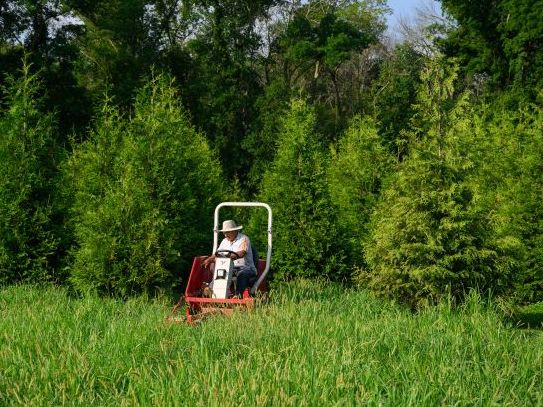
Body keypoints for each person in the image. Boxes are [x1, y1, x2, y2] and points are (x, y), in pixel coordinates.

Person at [203, 220, 257, 297]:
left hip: (245, 268)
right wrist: (209, 259)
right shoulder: (224, 241)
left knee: (242, 274)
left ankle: (238, 295)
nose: (226, 235)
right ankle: (211, 292)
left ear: (235, 230)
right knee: (219, 271)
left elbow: (242, 253)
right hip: (229, 267)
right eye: (224, 233)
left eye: (228, 232)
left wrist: (228, 257)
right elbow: (217, 254)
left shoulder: (244, 239)